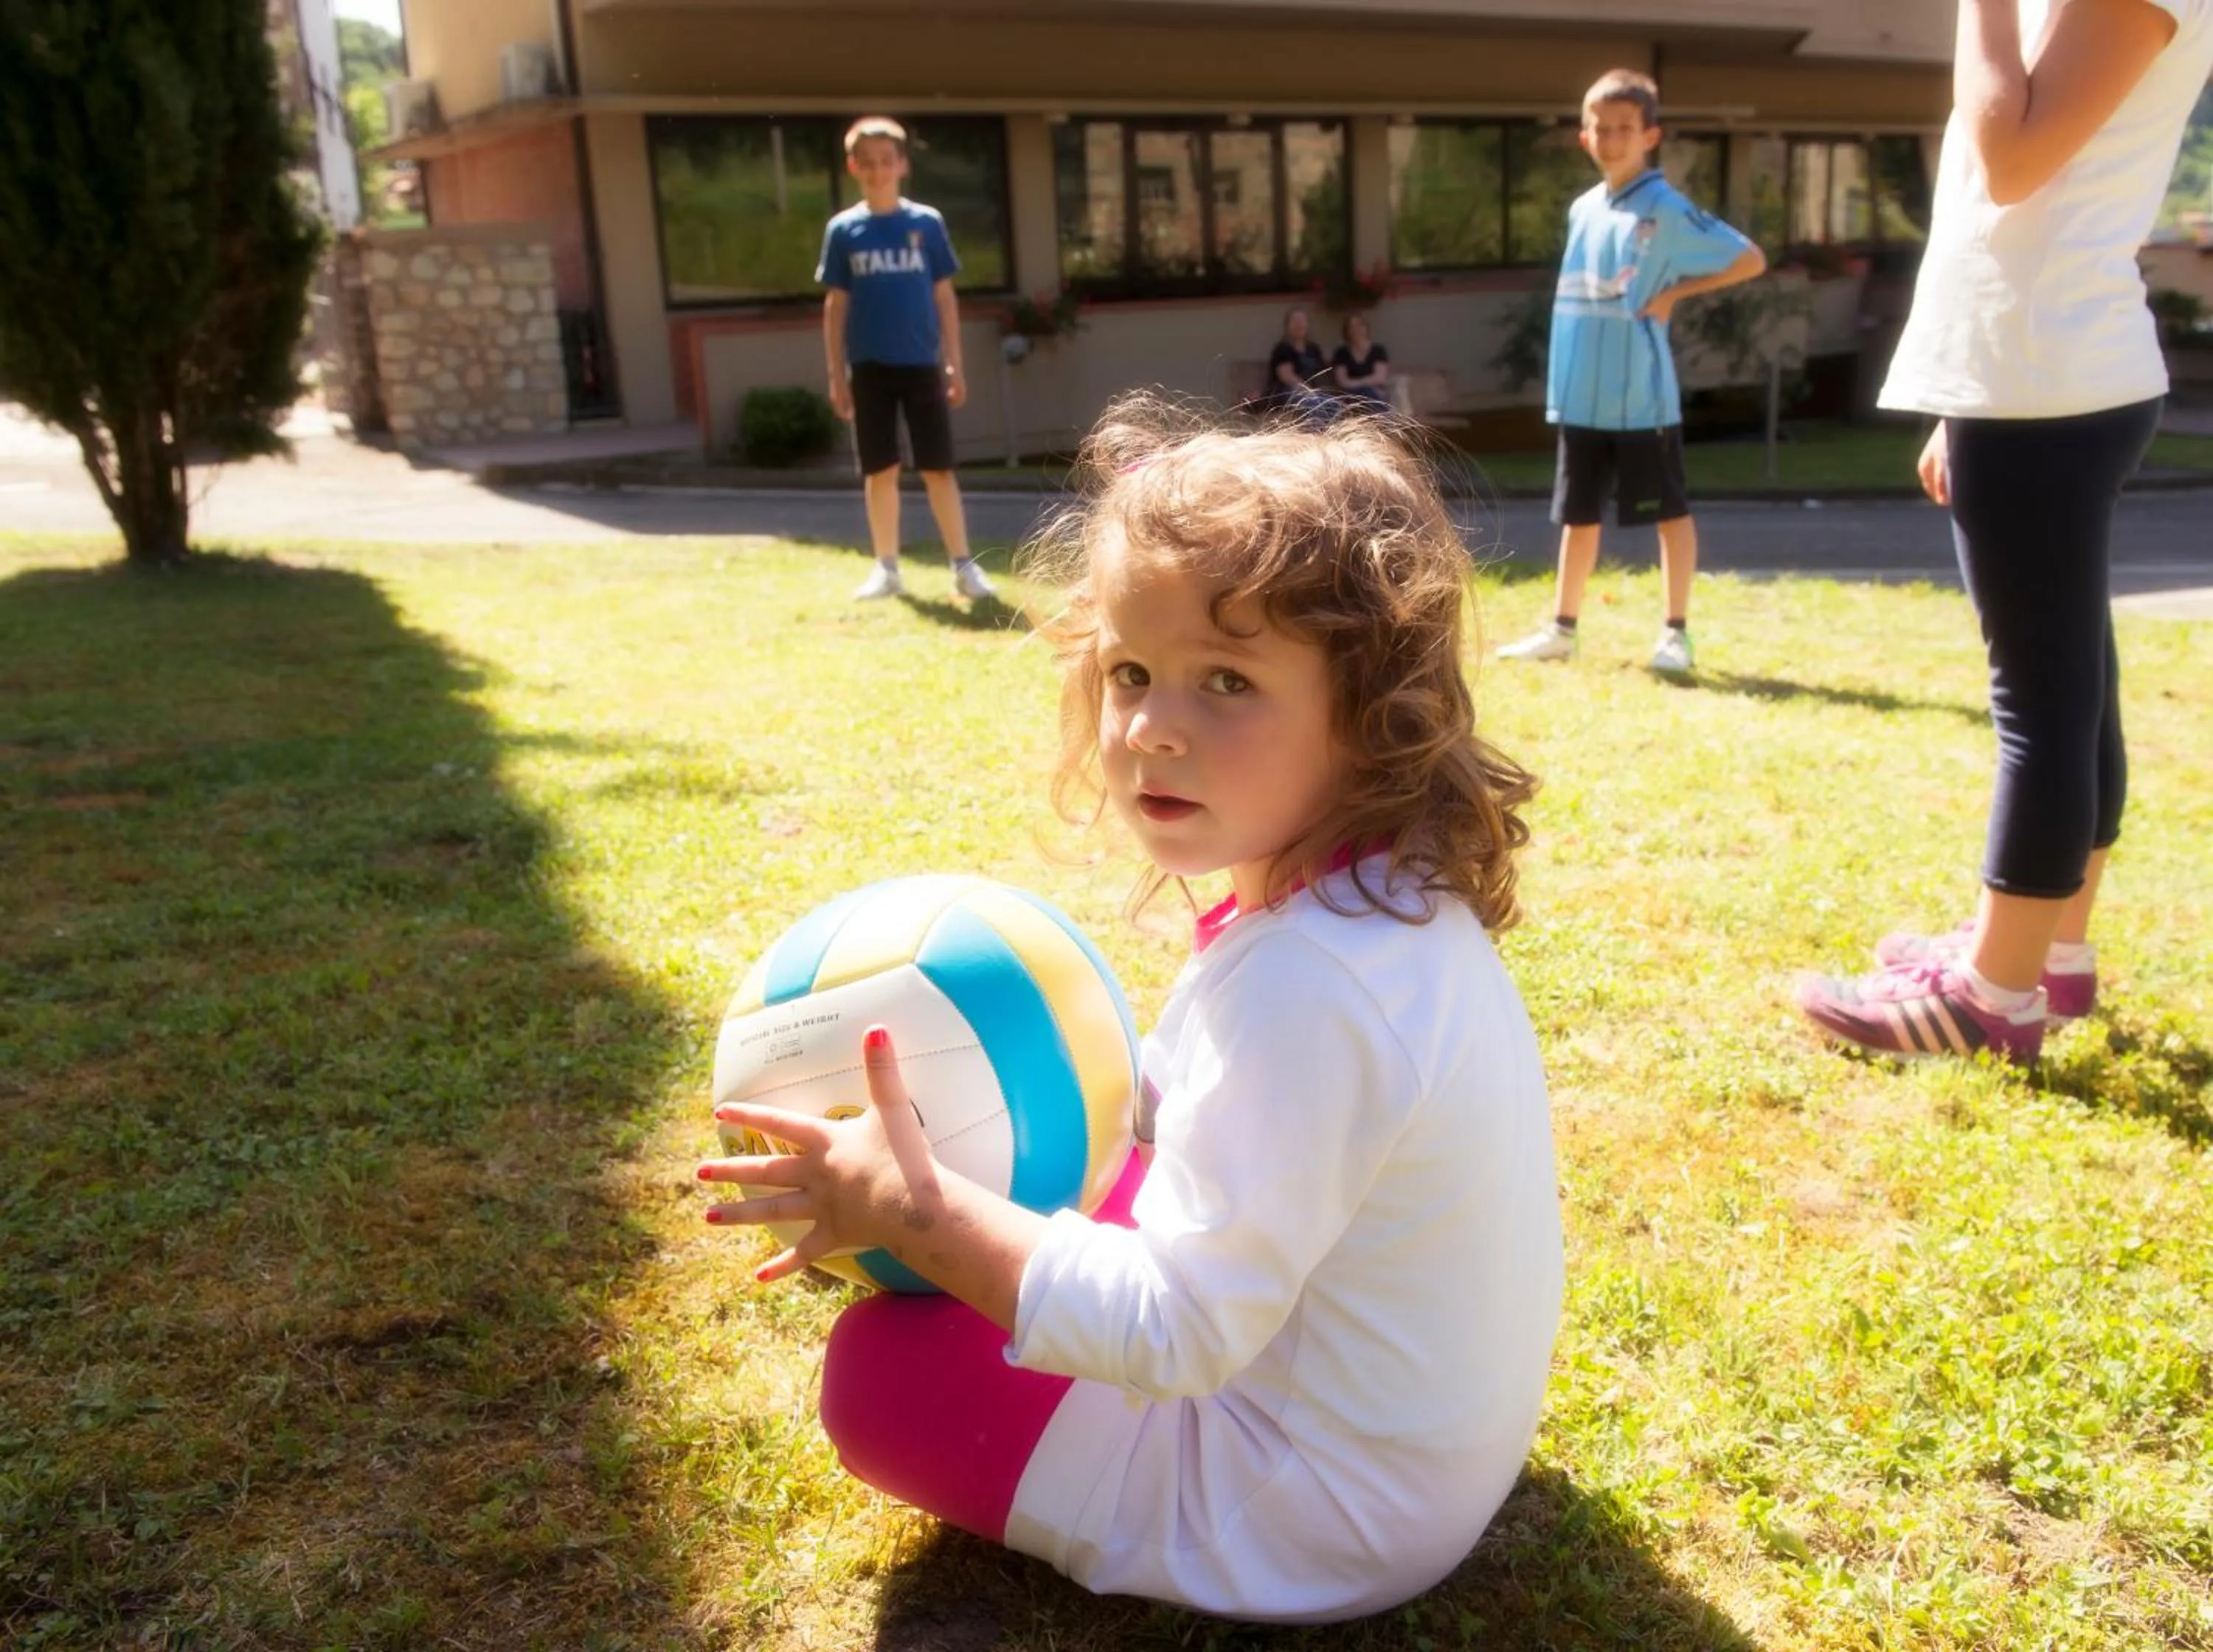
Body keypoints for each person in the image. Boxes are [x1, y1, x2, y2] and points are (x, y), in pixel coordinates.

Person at [699, 395, 1564, 1623]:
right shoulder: (1371, 905)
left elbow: (1181, 1331)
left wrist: (920, 1214)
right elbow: (1206, 1112)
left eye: (1228, 679)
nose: (1155, 726)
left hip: (1313, 1516)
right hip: (1407, 1455)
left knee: (880, 1376)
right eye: (1132, 672)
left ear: (1371, 717)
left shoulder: (1312, 988)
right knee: (1060, 1176)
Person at [1797, 0, 2213, 1063]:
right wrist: (1958, 396)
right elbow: (2018, 201)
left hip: (2045, 373)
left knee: (2045, 697)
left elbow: (2013, 154)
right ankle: (2048, 957)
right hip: (2028, 368)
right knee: (2075, 681)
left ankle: (1993, 998)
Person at [1497, 68, 1767, 676]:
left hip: (1641, 400)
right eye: (1602, 128)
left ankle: (1676, 633)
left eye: (1626, 128)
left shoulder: (1666, 208)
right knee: (1578, 514)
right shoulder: (1583, 209)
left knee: (1670, 513)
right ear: (1585, 137)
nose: (1613, 138)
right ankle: (1562, 628)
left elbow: (1749, 259)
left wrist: (1678, 293)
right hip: (1581, 396)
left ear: (1650, 136)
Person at [818, 117, 995, 603]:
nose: (878, 171)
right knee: (881, 470)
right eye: (868, 163)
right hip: (869, 368)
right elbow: (835, 307)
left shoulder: (926, 224)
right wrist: (837, 375)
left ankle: (964, 567)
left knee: (938, 468)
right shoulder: (844, 231)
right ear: (854, 167)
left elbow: (944, 297)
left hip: (921, 364)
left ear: (902, 165)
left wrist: (954, 361)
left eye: (886, 161)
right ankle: (887, 568)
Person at [1261, 306, 1330, 417]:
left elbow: (1321, 374)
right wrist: (1310, 392)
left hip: (1312, 393)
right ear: (1287, 326)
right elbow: (1288, 377)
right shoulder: (1283, 349)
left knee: (1333, 405)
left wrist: (1320, 392)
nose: (1299, 325)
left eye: (1302, 321)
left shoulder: (1314, 349)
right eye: (1295, 321)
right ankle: (1314, 433)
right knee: (1313, 403)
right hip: (1287, 393)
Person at [1331, 311, 1392, 410]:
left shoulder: (1378, 351)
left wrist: (1356, 383)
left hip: (1375, 395)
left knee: (1370, 393)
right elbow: (1343, 381)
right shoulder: (1341, 353)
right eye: (1351, 327)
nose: (1356, 330)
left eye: (1359, 326)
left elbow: (1380, 377)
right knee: (1366, 392)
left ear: (1366, 328)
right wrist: (1365, 384)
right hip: (1352, 397)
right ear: (1347, 332)